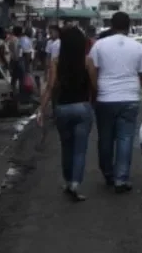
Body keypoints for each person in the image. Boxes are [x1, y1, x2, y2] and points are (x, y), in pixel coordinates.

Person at [89, 12, 142, 193]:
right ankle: (121, 179)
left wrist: (94, 93)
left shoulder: (99, 45)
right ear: (129, 25)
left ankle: (108, 173)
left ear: (111, 25)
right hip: (129, 99)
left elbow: (92, 72)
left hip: (104, 98)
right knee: (125, 139)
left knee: (105, 138)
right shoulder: (138, 47)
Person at [37, 26, 97, 201]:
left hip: (62, 108)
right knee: (80, 150)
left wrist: (42, 109)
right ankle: (75, 184)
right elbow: (95, 86)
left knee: (66, 147)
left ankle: (68, 180)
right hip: (82, 108)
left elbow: (50, 86)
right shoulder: (87, 61)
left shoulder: (56, 61)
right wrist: (94, 102)